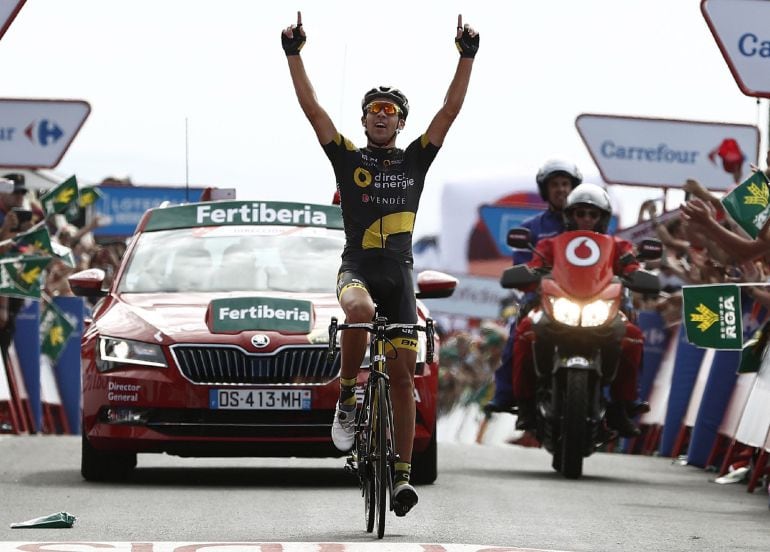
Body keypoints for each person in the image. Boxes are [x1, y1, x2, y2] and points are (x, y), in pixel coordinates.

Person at [282, 11, 478, 515]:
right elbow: (311, 109)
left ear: (401, 122)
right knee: (360, 312)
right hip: (359, 270)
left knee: (404, 377)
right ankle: (348, 397)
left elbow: (450, 111)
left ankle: (401, 479)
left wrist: (467, 56)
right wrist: (293, 53)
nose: (381, 114)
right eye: (374, 109)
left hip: (402, 275)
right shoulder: (348, 158)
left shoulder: (415, 159)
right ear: (365, 119)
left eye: (390, 109)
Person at [511, 183, 645, 437]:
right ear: (569, 216)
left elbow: (632, 268)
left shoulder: (618, 246)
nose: (585, 219)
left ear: (602, 218)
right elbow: (534, 267)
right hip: (557, 310)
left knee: (633, 336)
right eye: (580, 213)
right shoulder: (551, 244)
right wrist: (525, 274)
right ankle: (526, 405)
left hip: (602, 312)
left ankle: (621, 407)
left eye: (592, 214)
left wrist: (638, 275)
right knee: (525, 331)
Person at [484, 160, 582, 416]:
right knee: (518, 333)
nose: (561, 190)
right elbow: (521, 264)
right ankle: (506, 395)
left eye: (565, 184)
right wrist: (534, 279)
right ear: (545, 190)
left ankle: (619, 403)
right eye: (555, 185)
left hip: (588, 300)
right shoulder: (531, 228)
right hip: (541, 298)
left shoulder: (588, 224)